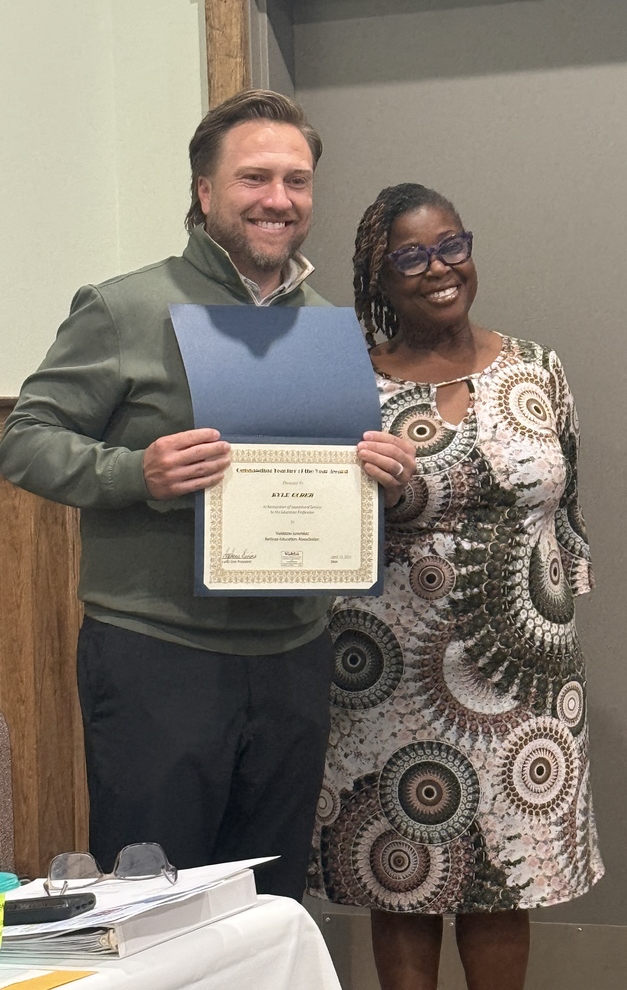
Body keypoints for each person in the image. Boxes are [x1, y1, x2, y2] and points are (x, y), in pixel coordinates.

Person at [0, 90, 414, 902]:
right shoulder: (125, 306)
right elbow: (25, 440)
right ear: (204, 191)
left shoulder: (326, 326)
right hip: (159, 655)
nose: (278, 199)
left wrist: (379, 476)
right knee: (156, 904)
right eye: (254, 178)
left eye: (296, 181)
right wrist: (136, 473)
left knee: (268, 904)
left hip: (294, 655)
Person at [307, 183, 604, 990]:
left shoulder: (538, 368)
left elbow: (569, 509)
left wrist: (561, 617)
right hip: (389, 669)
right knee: (403, 870)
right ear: (380, 276)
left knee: (506, 876)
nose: (438, 268)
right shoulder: (353, 384)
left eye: (451, 246)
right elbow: (316, 518)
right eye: (411, 256)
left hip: (527, 672)